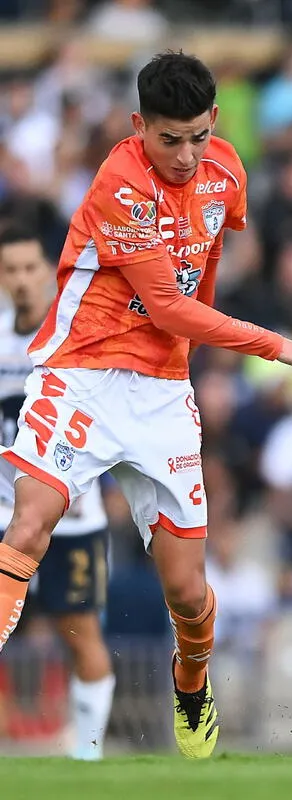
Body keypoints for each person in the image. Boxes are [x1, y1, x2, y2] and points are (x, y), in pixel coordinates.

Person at [0, 51, 292, 761]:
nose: (185, 155)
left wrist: (191, 362)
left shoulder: (226, 170)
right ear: (138, 125)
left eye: (197, 137)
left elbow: (203, 262)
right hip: (81, 372)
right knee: (28, 526)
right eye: (168, 139)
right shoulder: (121, 183)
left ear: (213, 122)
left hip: (161, 397)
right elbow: (171, 307)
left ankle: (191, 680)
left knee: (187, 591)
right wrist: (279, 347)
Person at [0, 226, 115, 760]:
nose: (21, 281)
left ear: (50, 271)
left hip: (73, 514)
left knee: (81, 634)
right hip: (5, 513)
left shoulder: (73, 336)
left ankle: (86, 757)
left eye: (29, 268)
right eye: (10, 270)